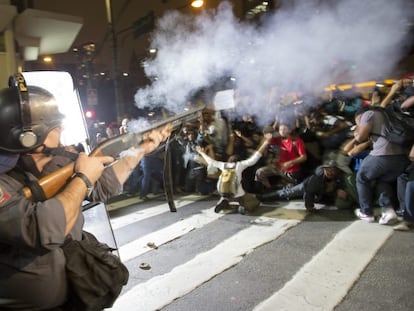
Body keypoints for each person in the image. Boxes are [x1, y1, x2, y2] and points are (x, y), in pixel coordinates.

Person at [0, 79, 171, 310]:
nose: (60, 129)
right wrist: (83, 179)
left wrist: (141, 149)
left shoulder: (57, 159)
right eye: (54, 125)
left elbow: (105, 186)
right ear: (28, 136)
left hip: (77, 292)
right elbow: (45, 230)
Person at [353, 106, 410, 224]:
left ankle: (366, 212)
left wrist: (358, 128)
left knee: (362, 177)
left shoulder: (368, 114)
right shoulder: (387, 113)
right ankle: (388, 212)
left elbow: (360, 137)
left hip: (383, 155)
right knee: (382, 180)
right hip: (402, 158)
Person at [196, 138, 269, 215]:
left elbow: (210, 161)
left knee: (226, 195)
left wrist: (202, 153)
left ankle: (224, 201)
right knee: (254, 201)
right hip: (237, 193)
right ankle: (243, 206)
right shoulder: (240, 165)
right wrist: (264, 144)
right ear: (238, 161)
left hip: (223, 191)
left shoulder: (223, 165)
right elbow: (255, 158)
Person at [258, 160, 350, 212]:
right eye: (328, 170)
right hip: (306, 186)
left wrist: (338, 190)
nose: (330, 172)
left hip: (322, 194)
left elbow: (343, 185)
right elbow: (309, 192)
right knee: (287, 193)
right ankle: (262, 197)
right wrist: (309, 206)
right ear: (324, 169)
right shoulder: (317, 178)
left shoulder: (340, 176)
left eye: (333, 170)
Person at [255, 122, 307, 192]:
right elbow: (262, 147)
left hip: (292, 172)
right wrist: (267, 138)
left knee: (289, 189)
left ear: (290, 130)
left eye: (284, 129)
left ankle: (285, 186)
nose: (282, 131)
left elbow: (304, 157)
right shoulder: (277, 140)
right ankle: (269, 190)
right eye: (280, 129)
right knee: (260, 172)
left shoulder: (297, 141)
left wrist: (290, 162)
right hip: (279, 168)